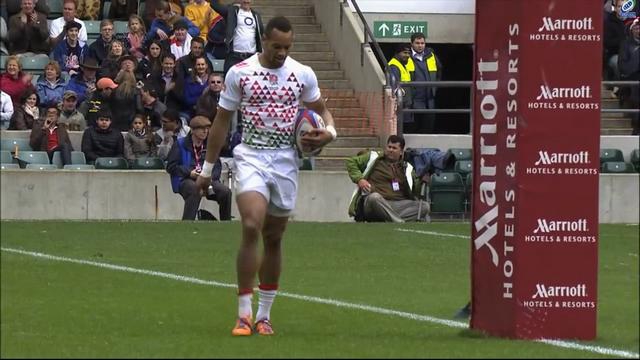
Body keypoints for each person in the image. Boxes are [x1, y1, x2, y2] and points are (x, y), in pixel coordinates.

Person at [195, 16, 337, 336]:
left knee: (273, 237)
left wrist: (330, 133)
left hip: (286, 160)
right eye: (277, 47)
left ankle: (264, 315)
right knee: (250, 224)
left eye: (287, 47)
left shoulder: (302, 74)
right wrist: (207, 169)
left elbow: (323, 111)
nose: (282, 53)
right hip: (251, 156)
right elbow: (221, 121)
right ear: (264, 42)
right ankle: (244, 314)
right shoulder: (241, 73)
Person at [345, 135, 429, 223]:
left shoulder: (407, 168)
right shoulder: (374, 157)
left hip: (396, 204)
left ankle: (388, 218)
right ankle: (398, 221)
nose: (391, 150)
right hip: (374, 203)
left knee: (424, 206)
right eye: (389, 147)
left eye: (394, 148)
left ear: (401, 152)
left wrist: (422, 179)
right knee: (374, 197)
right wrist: (360, 179)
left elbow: (415, 191)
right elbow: (351, 162)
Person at [167, 115, 232, 221]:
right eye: (202, 129)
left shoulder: (210, 145)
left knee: (225, 192)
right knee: (194, 189)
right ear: (192, 130)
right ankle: (187, 223)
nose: (205, 131)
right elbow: (171, 167)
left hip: (207, 179)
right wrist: (189, 173)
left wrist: (210, 177)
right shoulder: (180, 144)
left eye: (207, 129)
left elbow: (217, 166)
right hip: (185, 179)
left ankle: (225, 223)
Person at [210, 0, 264, 76]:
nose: (246, 1)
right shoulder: (232, 11)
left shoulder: (256, 15)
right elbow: (214, 5)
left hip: (251, 58)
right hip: (234, 57)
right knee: (229, 82)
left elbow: (260, 33)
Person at [410, 32, 441, 134]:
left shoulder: (431, 56)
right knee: (413, 129)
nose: (420, 46)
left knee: (428, 128)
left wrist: (434, 88)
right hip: (414, 100)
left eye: (422, 43)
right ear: (412, 44)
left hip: (429, 99)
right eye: (417, 43)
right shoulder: (406, 56)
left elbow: (439, 71)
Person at [618, 18, 640, 134]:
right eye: (636, 28)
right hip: (632, 78)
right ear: (632, 31)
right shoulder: (626, 45)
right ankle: (636, 127)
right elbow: (623, 67)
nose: (638, 30)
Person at [388, 44, 414, 133]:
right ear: (397, 54)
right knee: (400, 132)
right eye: (404, 53)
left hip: (405, 105)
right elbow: (394, 87)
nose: (407, 55)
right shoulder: (393, 66)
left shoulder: (402, 65)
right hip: (400, 106)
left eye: (409, 53)